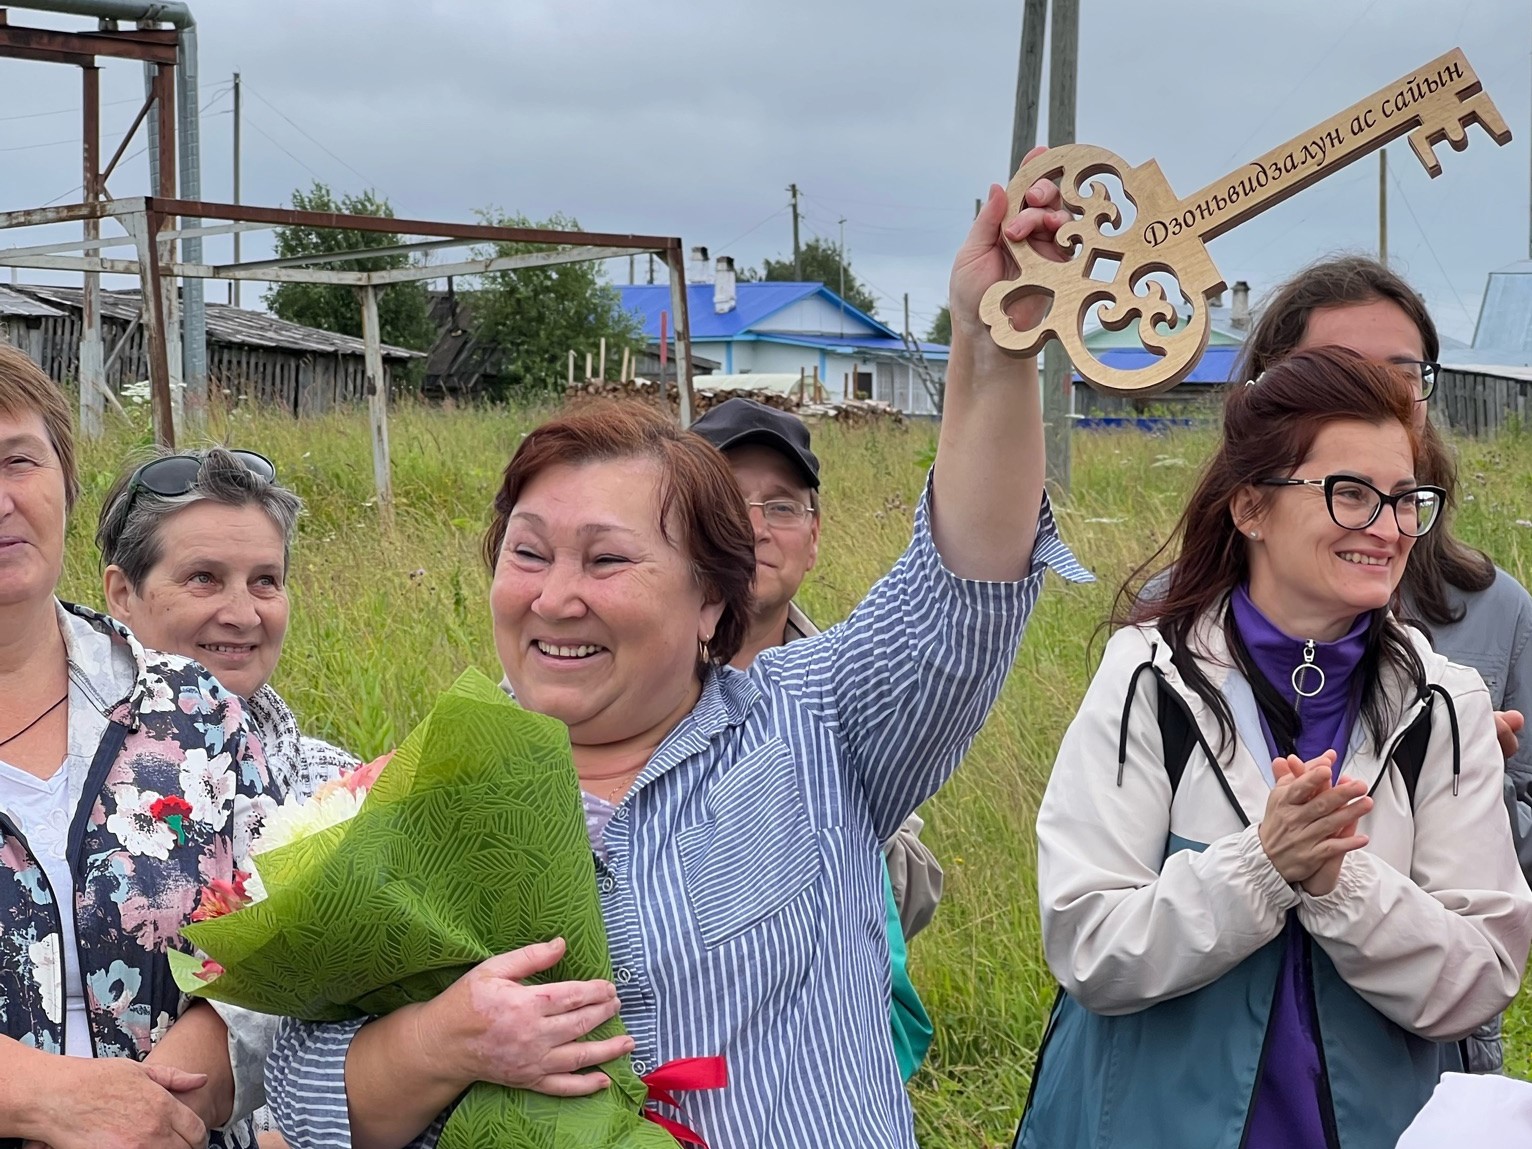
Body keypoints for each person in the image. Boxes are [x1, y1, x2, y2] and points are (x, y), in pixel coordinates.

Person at [265, 159, 1086, 1149]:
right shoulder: (421, 797)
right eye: (527, 553)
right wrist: (447, 1040)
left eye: (606, 560)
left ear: (710, 602)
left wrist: (993, 351)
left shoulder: (813, 729)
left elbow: (963, 586)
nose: (554, 596)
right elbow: (309, 1091)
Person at [1017, 346, 1532, 1149]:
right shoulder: (1151, 678)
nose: (1389, 528)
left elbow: (1481, 975)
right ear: (1250, 507)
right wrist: (1260, 864)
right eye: (1351, 494)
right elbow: (1089, 942)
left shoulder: (1445, 703)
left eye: (1405, 499)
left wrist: (1337, 879)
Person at [1237, 255, 1532, 1072]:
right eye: (1337, 372)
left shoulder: (1495, 608)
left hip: (1419, 1054)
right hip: (1226, 1045)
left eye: (1404, 373)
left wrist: (1476, 786)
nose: (1380, 397)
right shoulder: (1173, 634)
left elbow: (1505, 898)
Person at [0, 343, 273, 1149]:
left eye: (18, 460)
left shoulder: (193, 710)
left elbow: (287, 938)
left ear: (64, 482)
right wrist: (42, 1098)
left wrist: (183, 1083)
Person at [95, 446, 360, 1146]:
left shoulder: (339, 788)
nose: (242, 613)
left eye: (266, 581)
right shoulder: (65, 783)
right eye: (204, 578)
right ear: (121, 593)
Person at [692, 396, 952, 1082]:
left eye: (781, 506)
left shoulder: (856, 691)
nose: (754, 529)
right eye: (724, 503)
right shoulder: (610, 686)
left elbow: (912, 894)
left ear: (814, 534)